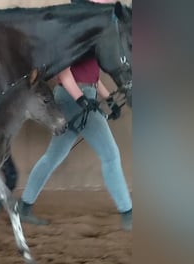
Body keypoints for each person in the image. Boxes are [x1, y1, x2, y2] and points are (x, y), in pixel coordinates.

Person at [17, 0, 132, 231]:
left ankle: (24, 207)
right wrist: (81, 99)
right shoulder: (71, 35)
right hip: (72, 99)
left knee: (53, 157)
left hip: (79, 96)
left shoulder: (93, 36)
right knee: (110, 155)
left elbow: (93, 77)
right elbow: (64, 72)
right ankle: (128, 212)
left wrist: (109, 98)